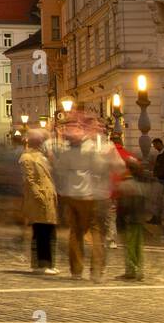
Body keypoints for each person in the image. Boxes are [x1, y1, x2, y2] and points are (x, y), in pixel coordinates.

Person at [55, 111, 123, 283]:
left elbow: (59, 169)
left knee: (76, 233)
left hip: (72, 194)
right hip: (93, 195)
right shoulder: (97, 147)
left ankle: (76, 270)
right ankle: (97, 271)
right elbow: (104, 168)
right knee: (97, 233)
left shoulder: (66, 149)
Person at [19, 130, 59, 274]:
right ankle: (41, 264)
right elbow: (30, 179)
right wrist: (38, 195)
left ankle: (48, 262)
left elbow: (53, 171)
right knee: (41, 230)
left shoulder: (43, 156)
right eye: (41, 141)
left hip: (48, 195)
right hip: (39, 198)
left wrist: (50, 155)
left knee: (49, 230)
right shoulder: (26, 157)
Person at [119, 159, 153, 281]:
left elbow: (123, 206)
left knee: (130, 245)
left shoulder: (125, 185)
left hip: (129, 219)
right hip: (139, 219)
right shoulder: (141, 186)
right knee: (138, 245)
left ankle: (132, 269)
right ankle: (139, 269)